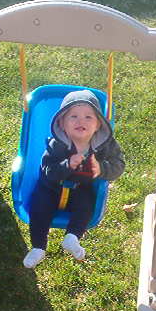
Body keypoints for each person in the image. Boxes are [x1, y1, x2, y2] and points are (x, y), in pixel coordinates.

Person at [23, 89, 125, 268]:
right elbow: (47, 170)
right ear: (62, 123)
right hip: (51, 188)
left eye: (88, 117)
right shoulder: (57, 144)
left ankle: (72, 237)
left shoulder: (104, 145)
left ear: (98, 124)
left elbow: (119, 165)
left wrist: (101, 168)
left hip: (81, 189)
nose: (80, 121)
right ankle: (38, 247)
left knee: (86, 206)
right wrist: (67, 165)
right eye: (73, 116)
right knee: (39, 206)